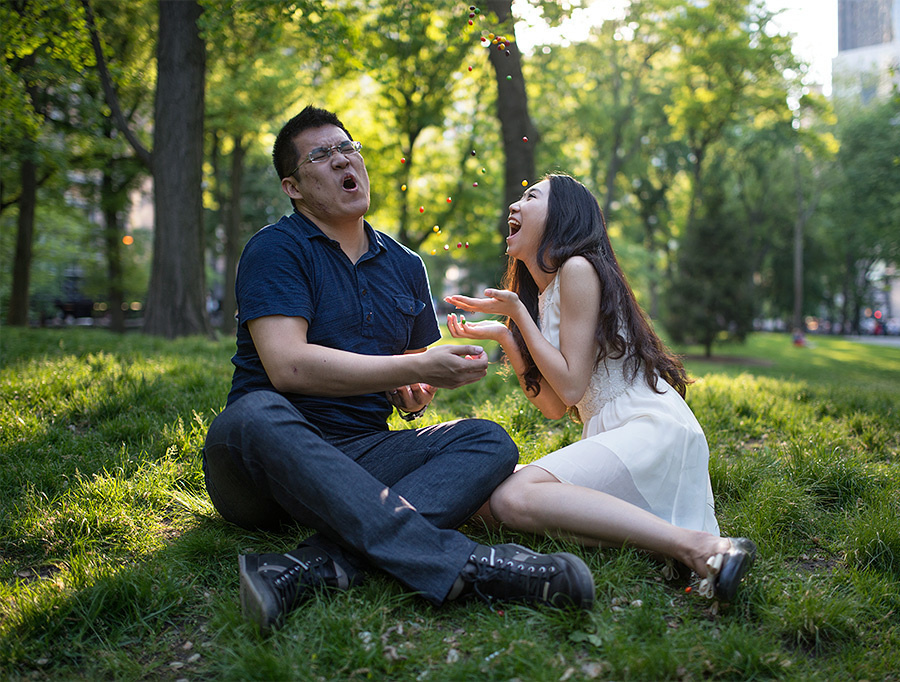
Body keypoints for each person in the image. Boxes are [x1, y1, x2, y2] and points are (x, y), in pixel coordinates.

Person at [202, 108, 595, 632]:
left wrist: (414, 387)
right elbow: (289, 367)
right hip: (261, 466)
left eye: (349, 147)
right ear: (293, 187)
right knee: (255, 412)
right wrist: (402, 369)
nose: (343, 158)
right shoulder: (275, 249)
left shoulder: (405, 265)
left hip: (360, 454)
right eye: (321, 154)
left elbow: (410, 374)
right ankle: (468, 564)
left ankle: (313, 566)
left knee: (488, 441)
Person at [445, 174, 756, 600]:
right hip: (616, 433)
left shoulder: (577, 268)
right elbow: (554, 406)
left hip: (649, 430)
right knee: (484, 493)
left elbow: (570, 387)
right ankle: (668, 542)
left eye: (530, 197)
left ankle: (702, 548)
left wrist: (517, 315)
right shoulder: (545, 293)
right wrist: (505, 336)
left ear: (562, 216)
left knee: (514, 496)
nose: (513, 207)